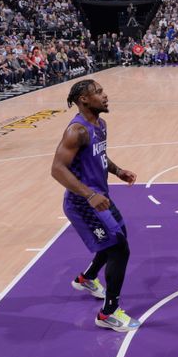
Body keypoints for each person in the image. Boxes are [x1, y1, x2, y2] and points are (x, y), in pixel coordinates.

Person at [50, 79, 140, 332]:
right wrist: (89, 195)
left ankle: (87, 278)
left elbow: (98, 155)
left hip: (100, 198)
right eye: (98, 92)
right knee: (119, 250)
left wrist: (118, 170)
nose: (105, 95)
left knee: (117, 239)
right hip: (83, 203)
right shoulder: (76, 131)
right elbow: (57, 169)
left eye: (103, 90)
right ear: (83, 100)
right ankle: (108, 313)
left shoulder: (100, 124)